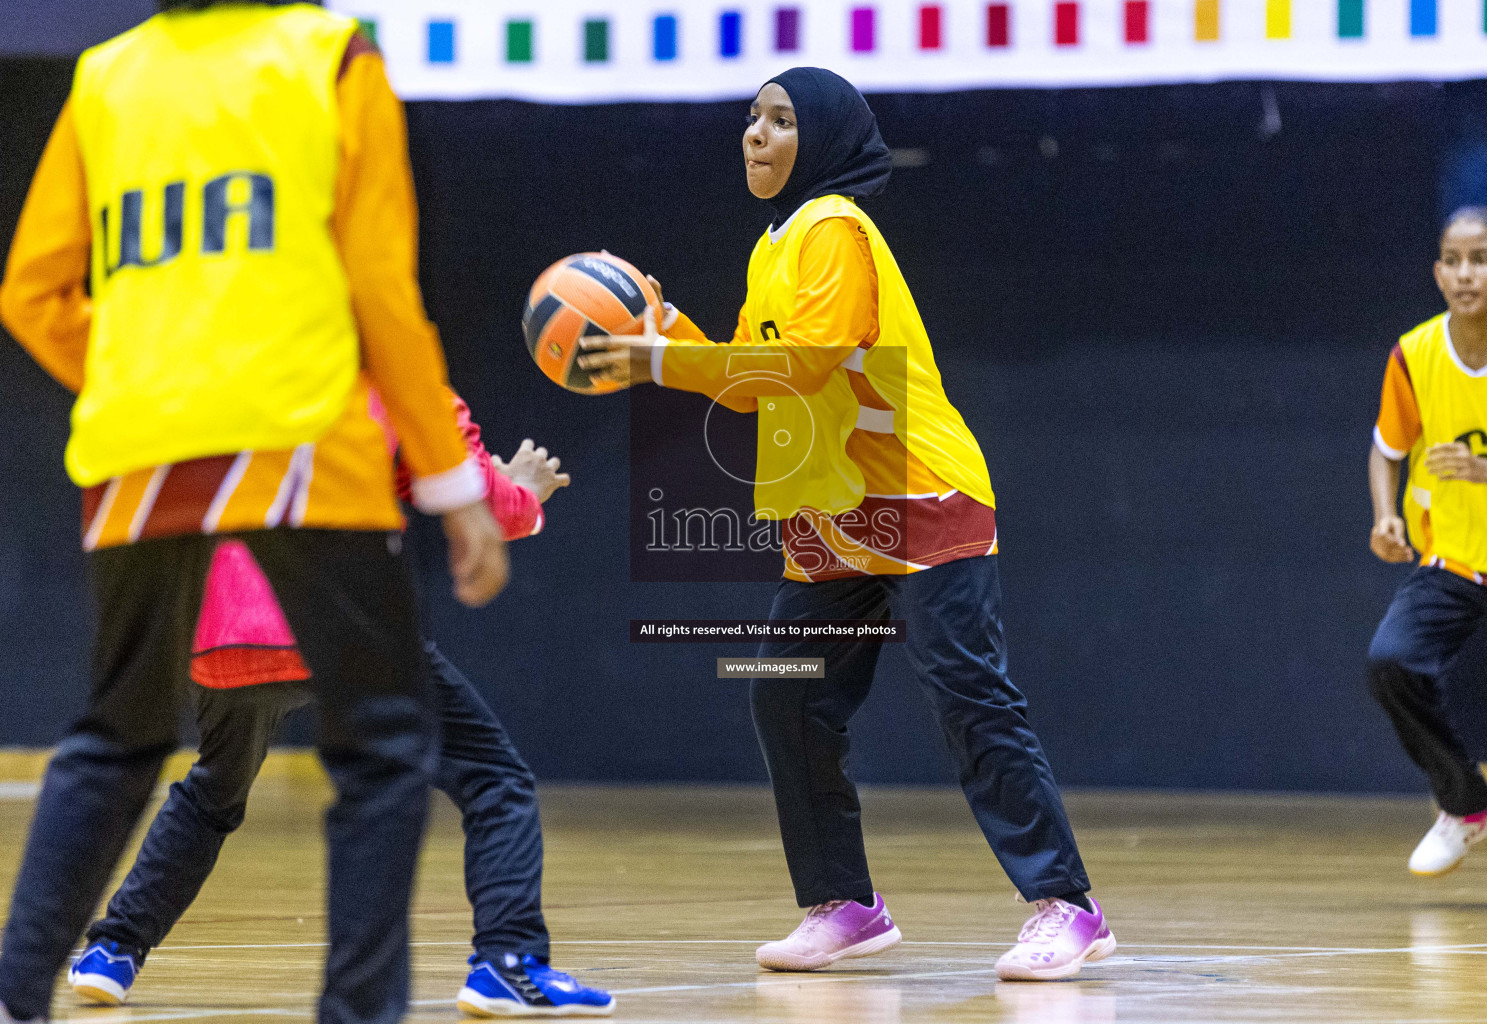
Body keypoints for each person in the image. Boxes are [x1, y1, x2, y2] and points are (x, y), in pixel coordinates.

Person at [0, 2, 510, 1021]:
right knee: (381, 738)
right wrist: (455, 483)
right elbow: (380, 286)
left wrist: (144, 378)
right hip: (298, 436)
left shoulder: (106, 74)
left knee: (115, 733)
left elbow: (31, 292)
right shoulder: (329, 56)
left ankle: (16, 996)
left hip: (139, 441)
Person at [578, 67, 1113, 982]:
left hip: (916, 491)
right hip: (835, 513)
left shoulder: (835, 229)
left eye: (781, 120)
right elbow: (753, 383)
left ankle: (1069, 908)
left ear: (822, 141)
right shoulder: (775, 246)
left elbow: (814, 364)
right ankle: (848, 907)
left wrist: (663, 358)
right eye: (750, 118)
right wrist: (669, 329)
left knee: (969, 697)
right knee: (786, 694)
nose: (755, 134)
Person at [65, 397, 612, 1017]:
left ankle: (113, 950)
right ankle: (509, 963)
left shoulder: (223, 366)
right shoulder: (378, 365)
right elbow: (477, 497)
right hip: (346, 622)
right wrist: (525, 494)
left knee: (213, 791)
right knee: (495, 779)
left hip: (222, 628)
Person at [1367, 205, 1487, 877]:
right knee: (1391, 664)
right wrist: (1386, 517)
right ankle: (1465, 803)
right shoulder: (1415, 354)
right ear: (1438, 273)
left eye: (1482, 259)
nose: (1466, 273)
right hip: (1456, 559)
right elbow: (1386, 449)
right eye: (1454, 261)